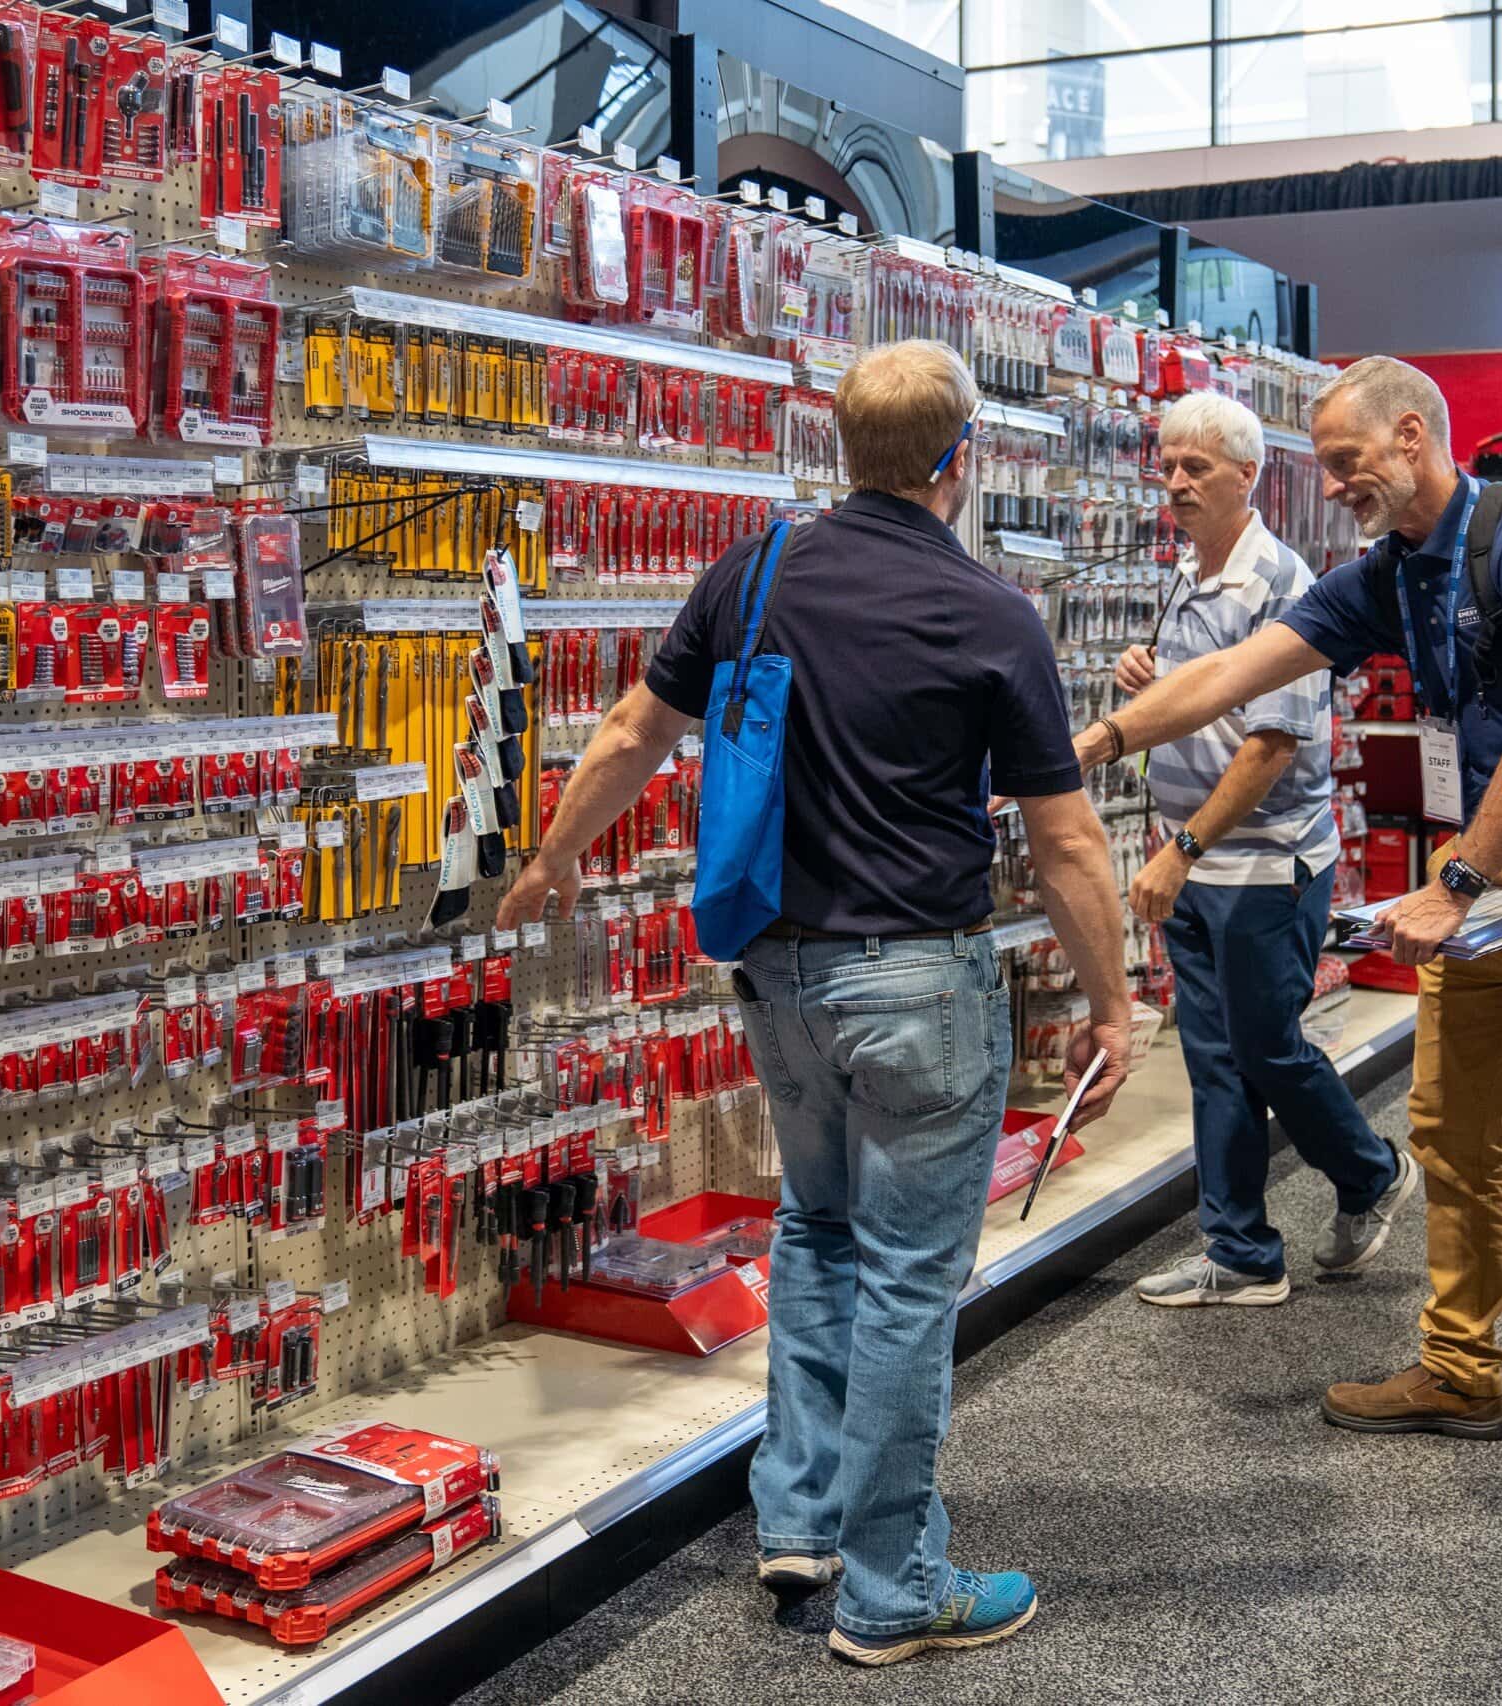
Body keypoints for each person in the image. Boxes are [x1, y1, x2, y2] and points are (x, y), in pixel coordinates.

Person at [498, 340, 1132, 1665]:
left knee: (817, 1233)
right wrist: (1114, 1002)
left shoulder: (756, 569)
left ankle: (798, 1518)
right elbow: (1068, 846)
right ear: (963, 456)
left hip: (779, 974)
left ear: (844, 447)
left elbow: (628, 734)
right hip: (921, 982)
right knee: (906, 1275)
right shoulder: (990, 614)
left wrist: (554, 855)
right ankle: (895, 1587)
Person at [1072, 356, 1502, 1503]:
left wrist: (1454, 880)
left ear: (1411, 436)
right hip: (1486, 878)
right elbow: (1233, 670)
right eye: (1323, 468)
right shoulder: (1386, 572)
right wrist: (1094, 743)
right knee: (1450, 1131)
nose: (1335, 488)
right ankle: (1460, 1369)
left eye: (1346, 462)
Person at [1117, 392, 1418, 1309]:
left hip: (1261, 863)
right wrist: (1148, 677)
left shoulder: (1283, 583)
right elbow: (1207, 702)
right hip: (1202, 859)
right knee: (1215, 1056)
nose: (1175, 483)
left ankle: (1372, 1173)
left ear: (1246, 476)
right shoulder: (1184, 574)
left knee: (1266, 1048)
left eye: (1195, 468)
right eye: (1166, 465)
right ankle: (1242, 1254)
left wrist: (1184, 847)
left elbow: (1272, 744)